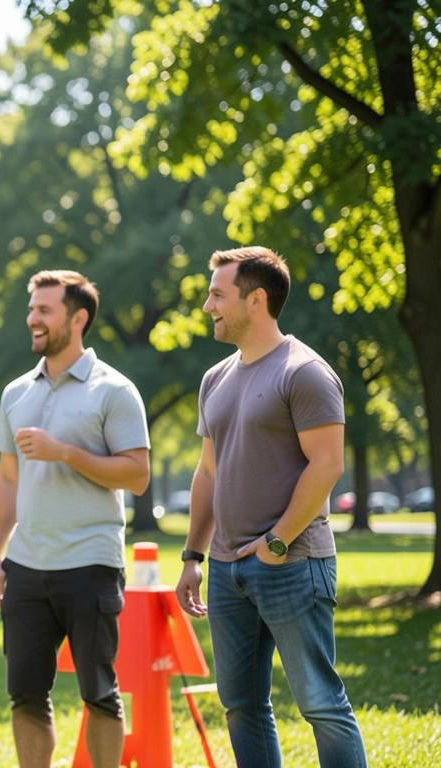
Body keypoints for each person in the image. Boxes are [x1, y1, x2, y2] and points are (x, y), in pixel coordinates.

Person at [175, 247, 367, 767]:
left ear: (255, 299)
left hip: (293, 562)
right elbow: (209, 472)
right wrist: (194, 556)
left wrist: (277, 542)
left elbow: (326, 465)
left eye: (218, 294)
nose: (208, 305)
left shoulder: (305, 372)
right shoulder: (214, 379)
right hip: (227, 567)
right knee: (241, 706)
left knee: (321, 705)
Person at [0, 270, 150, 768]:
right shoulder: (16, 393)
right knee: (26, 695)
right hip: (26, 567)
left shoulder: (114, 390)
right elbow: (7, 478)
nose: (32, 318)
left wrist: (65, 453)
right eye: (32, 308)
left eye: (44, 310)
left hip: (91, 562)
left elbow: (138, 475)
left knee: (99, 691)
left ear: (78, 318)